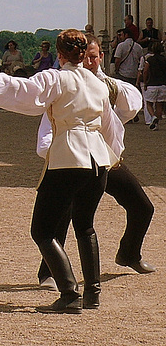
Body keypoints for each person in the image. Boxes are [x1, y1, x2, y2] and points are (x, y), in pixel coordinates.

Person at [0, 29, 125, 314]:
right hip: (98, 160)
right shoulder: (98, 84)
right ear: (83, 54)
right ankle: (93, 294)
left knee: (43, 231)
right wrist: (112, 156)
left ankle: (69, 293)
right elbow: (111, 126)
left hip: (67, 157)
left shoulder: (56, 78)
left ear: (59, 54)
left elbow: (21, 92)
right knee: (85, 225)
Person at [36, 34, 155, 294]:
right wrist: (53, 153)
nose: (89, 60)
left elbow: (130, 105)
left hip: (105, 159)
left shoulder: (107, 85)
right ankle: (48, 274)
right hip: (72, 158)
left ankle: (129, 253)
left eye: (94, 56)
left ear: (100, 57)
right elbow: (47, 129)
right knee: (62, 216)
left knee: (142, 206)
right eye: (85, 56)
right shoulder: (64, 82)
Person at [143, 41, 166, 131]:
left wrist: (145, 82)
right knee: (159, 105)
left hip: (152, 84)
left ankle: (153, 117)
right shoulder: (164, 59)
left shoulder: (149, 60)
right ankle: (156, 121)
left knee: (149, 103)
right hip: (163, 85)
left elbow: (145, 71)